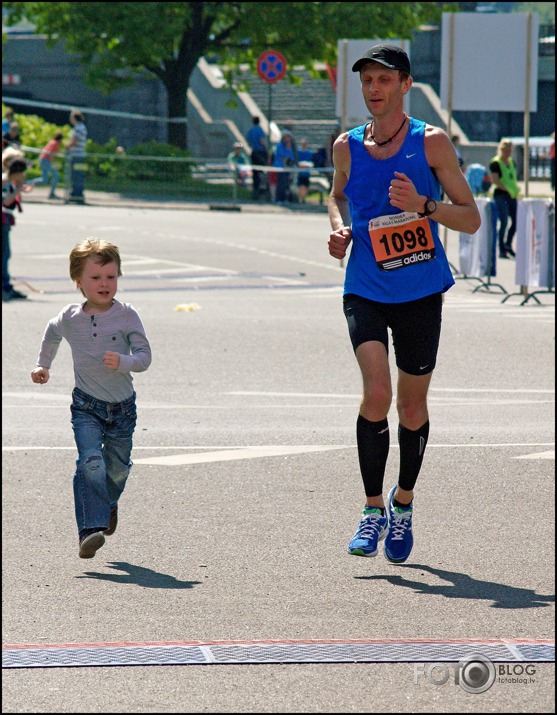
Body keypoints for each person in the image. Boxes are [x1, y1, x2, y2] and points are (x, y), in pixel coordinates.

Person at [328, 45, 480, 563]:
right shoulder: (346, 146)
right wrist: (339, 229)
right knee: (376, 394)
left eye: (383, 80)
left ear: (405, 85)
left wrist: (423, 206)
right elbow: (337, 195)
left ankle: (403, 502)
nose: (373, 89)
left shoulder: (430, 143)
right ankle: (373, 511)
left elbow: (471, 218)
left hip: (420, 292)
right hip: (365, 286)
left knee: (411, 406)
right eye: (367, 80)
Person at [30, 238, 152, 558]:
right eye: (96, 278)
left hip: (123, 407)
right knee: (90, 462)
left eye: (111, 277)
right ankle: (90, 529)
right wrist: (43, 364)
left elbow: (144, 357)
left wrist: (124, 362)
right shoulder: (70, 317)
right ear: (79, 282)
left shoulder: (127, 315)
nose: (104, 284)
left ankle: (107, 503)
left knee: (117, 469)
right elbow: (52, 332)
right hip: (86, 405)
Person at [2, 156, 30, 302]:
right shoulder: (5, 181)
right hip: (2, 219)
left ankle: (5, 285)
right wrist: (19, 188)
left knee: (6, 254)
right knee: (4, 254)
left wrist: (20, 188)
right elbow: (6, 201)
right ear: (18, 172)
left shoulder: (8, 181)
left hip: (5, 219)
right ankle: (4, 287)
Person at [489, 139, 519, 259]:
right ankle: (501, 248)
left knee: (516, 222)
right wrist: (507, 188)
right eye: (505, 150)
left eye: (509, 150)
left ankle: (508, 244)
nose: (507, 153)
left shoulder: (512, 162)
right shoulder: (496, 163)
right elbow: (495, 180)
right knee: (504, 221)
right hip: (501, 194)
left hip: (512, 195)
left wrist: (514, 190)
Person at [29, 132, 64, 199]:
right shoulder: (55, 143)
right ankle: (52, 193)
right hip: (45, 160)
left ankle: (26, 183)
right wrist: (54, 163)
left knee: (44, 179)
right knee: (56, 175)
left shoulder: (52, 142)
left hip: (43, 160)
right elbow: (50, 153)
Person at [66, 109, 87, 203]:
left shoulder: (79, 128)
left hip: (77, 155)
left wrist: (67, 146)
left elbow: (75, 141)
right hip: (76, 154)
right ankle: (75, 193)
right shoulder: (80, 127)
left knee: (77, 175)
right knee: (75, 175)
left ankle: (77, 194)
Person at [246, 116, 269, 200]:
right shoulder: (259, 130)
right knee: (262, 171)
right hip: (260, 152)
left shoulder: (251, 130)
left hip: (254, 152)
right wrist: (267, 150)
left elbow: (247, 139)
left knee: (255, 172)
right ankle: (262, 190)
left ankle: (255, 191)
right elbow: (262, 141)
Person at [273, 131, 296, 203]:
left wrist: (289, 149)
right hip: (280, 167)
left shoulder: (289, 147)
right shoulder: (279, 145)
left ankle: (285, 198)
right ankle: (279, 199)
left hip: (287, 168)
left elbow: (291, 157)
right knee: (280, 183)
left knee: (286, 184)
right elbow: (281, 155)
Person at [296, 138, 314, 203]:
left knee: (305, 187)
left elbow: (311, 163)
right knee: (300, 186)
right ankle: (299, 199)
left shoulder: (309, 153)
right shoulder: (298, 152)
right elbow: (297, 162)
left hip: (306, 174)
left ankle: (303, 199)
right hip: (300, 173)